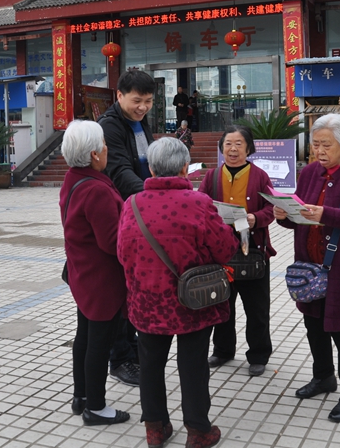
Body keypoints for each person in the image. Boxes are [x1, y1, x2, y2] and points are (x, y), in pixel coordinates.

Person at [117, 137, 238, 448]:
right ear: (186, 167)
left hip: (147, 301)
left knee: (150, 365)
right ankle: (198, 431)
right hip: (192, 301)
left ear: (152, 168)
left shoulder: (131, 203)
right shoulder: (198, 202)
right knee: (193, 365)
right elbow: (224, 249)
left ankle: (155, 429)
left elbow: (122, 252)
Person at [274, 113, 340, 423]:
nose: (319, 151)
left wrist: (327, 214)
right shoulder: (308, 174)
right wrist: (284, 214)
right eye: (315, 144)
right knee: (314, 326)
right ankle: (323, 378)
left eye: (326, 145)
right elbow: (298, 217)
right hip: (310, 267)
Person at [59, 120, 130, 426]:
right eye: (102, 145)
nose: (106, 149)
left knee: (85, 338)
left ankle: (82, 396)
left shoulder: (74, 178)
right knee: (98, 342)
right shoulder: (96, 189)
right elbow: (111, 242)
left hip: (82, 273)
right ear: (93, 153)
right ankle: (96, 407)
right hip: (101, 279)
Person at [198, 125, 276, 377]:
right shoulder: (211, 176)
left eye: (238, 144)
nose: (232, 149)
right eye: (228, 143)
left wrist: (255, 218)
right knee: (221, 303)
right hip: (220, 252)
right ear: (221, 148)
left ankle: (258, 354)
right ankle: (222, 350)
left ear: (249, 148)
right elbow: (200, 205)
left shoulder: (260, 176)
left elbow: (272, 208)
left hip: (252, 250)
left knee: (257, 307)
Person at [98, 69, 156, 387]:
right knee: (122, 289)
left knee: (134, 287)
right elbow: (119, 171)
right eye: (137, 100)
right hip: (123, 214)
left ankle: (132, 350)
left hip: (140, 211)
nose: (142, 107)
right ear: (119, 95)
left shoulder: (139, 122)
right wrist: (154, 196)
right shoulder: (110, 125)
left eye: (148, 101)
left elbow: (148, 161)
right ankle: (120, 359)